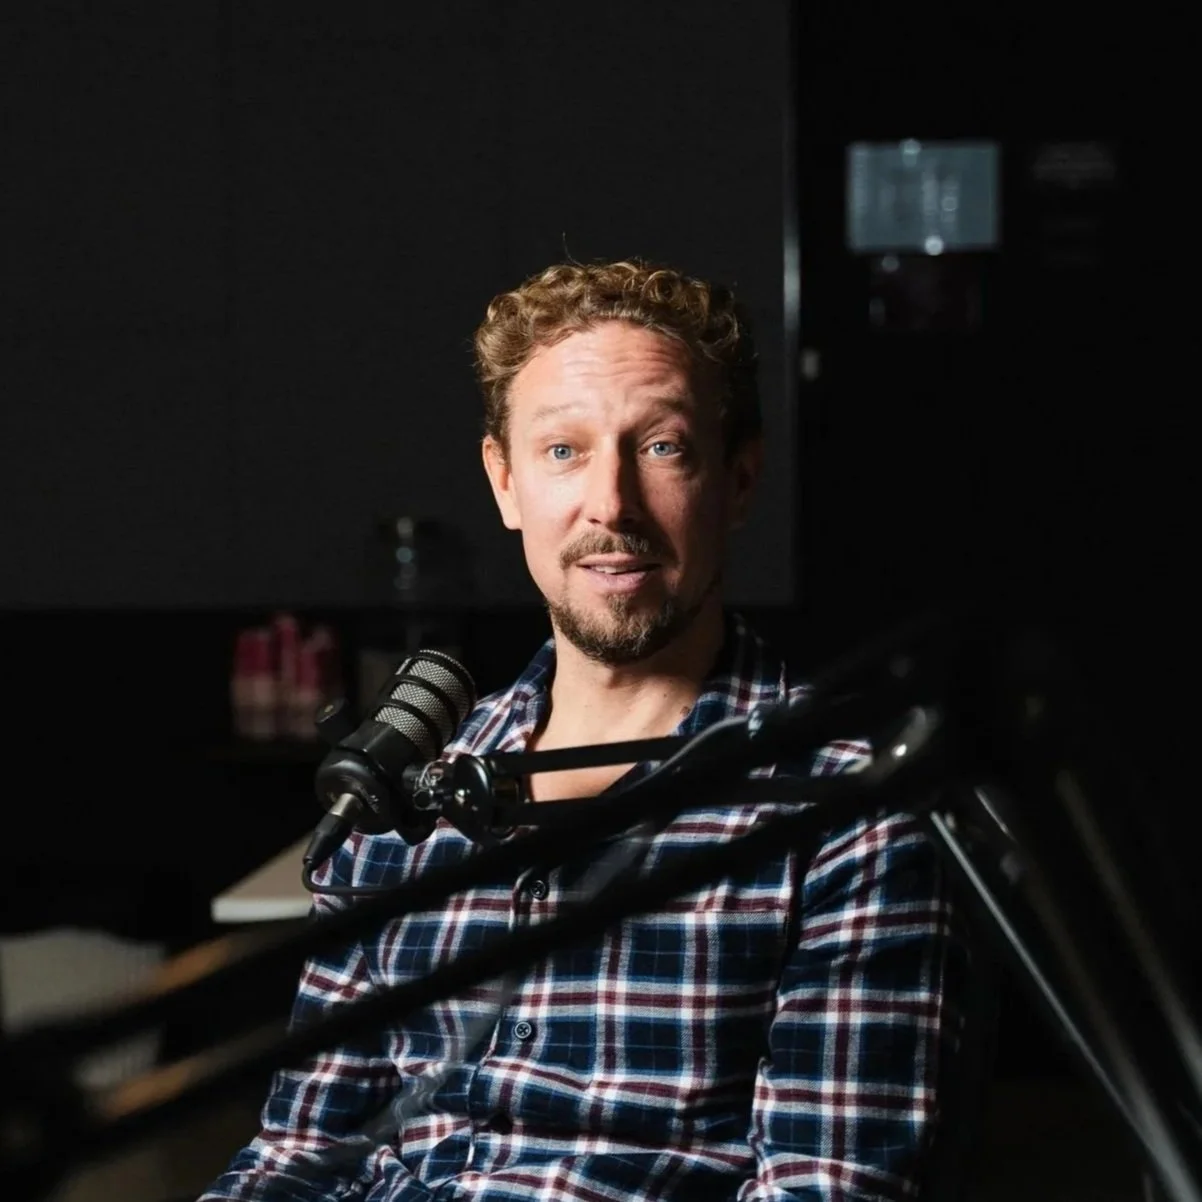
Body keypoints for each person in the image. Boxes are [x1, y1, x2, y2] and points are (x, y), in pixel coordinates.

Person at [201, 259, 968, 1201]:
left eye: (662, 447)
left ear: (739, 479)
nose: (611, 504)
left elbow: (828, 1187)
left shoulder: (846, 808)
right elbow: (300, 1159)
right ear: (505, 483)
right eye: (563, 451)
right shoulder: (404, 794)